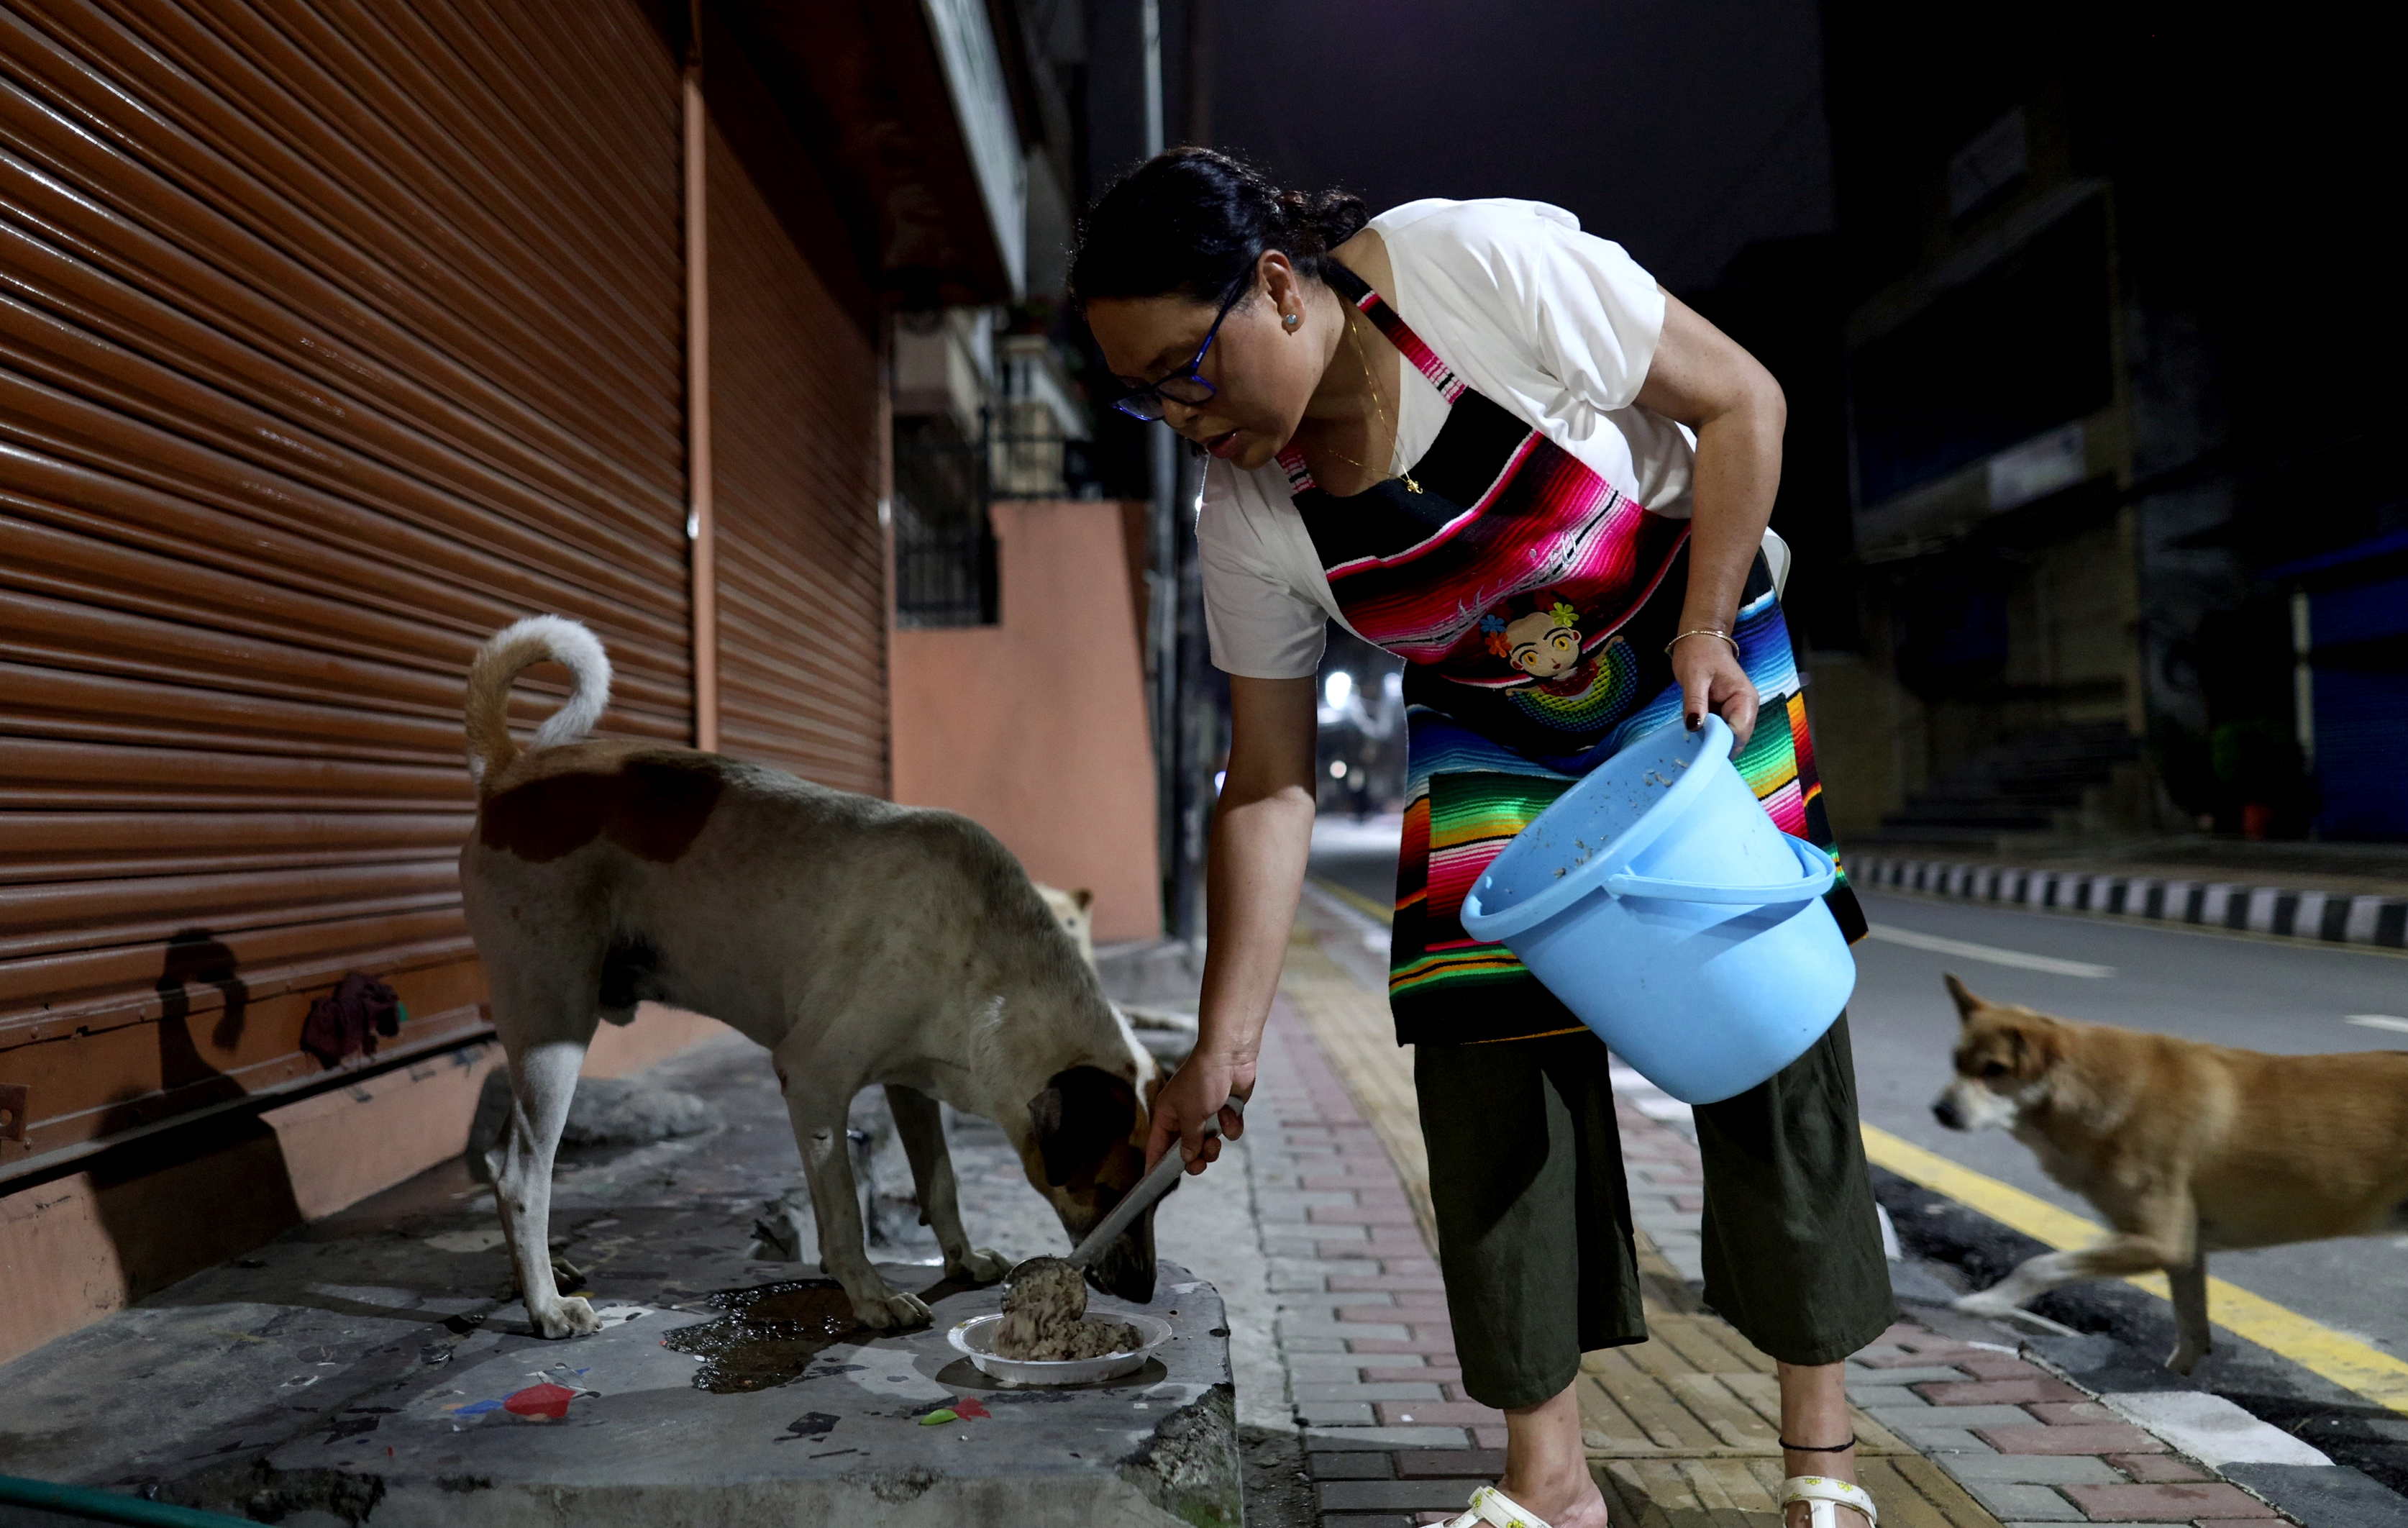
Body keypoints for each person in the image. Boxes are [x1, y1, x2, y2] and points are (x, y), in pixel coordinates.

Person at [1073, 148, 1892, 1528]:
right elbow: (1267, 781)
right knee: (1476, 1051)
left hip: (1681, 649)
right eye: (1142, 395)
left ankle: (1822, 1467)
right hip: (1492, 721)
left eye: (1187, 371)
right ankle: (1551, 1480)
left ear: (1276, 288)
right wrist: (1224, 1040)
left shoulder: (1471, 268)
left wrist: (1703, 629)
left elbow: (1743, 398)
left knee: (1761, 1028)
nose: (1177, 418)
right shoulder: (1250, 514)